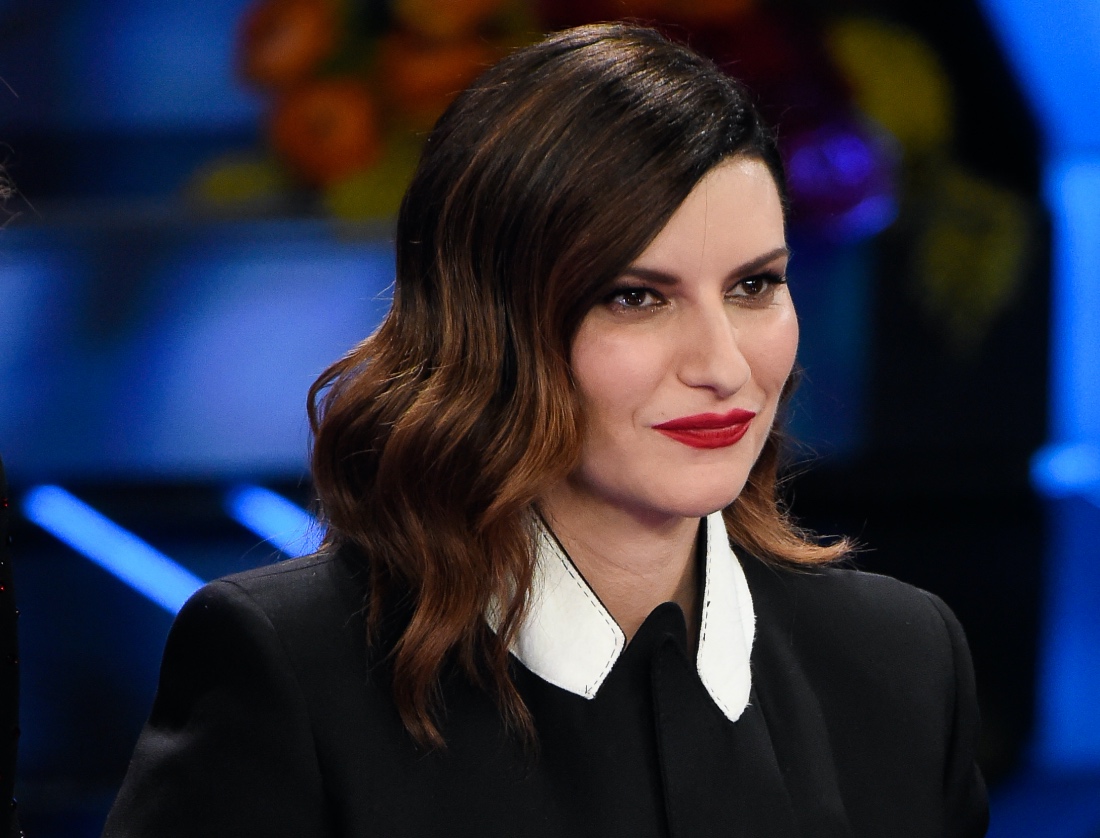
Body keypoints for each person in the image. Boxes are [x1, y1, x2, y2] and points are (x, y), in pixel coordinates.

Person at [104, 23, 988, 837]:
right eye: (636, 297)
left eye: (753, 286)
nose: (722, 364)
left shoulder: (902, 660)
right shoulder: (291, 670)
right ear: (492, 326)